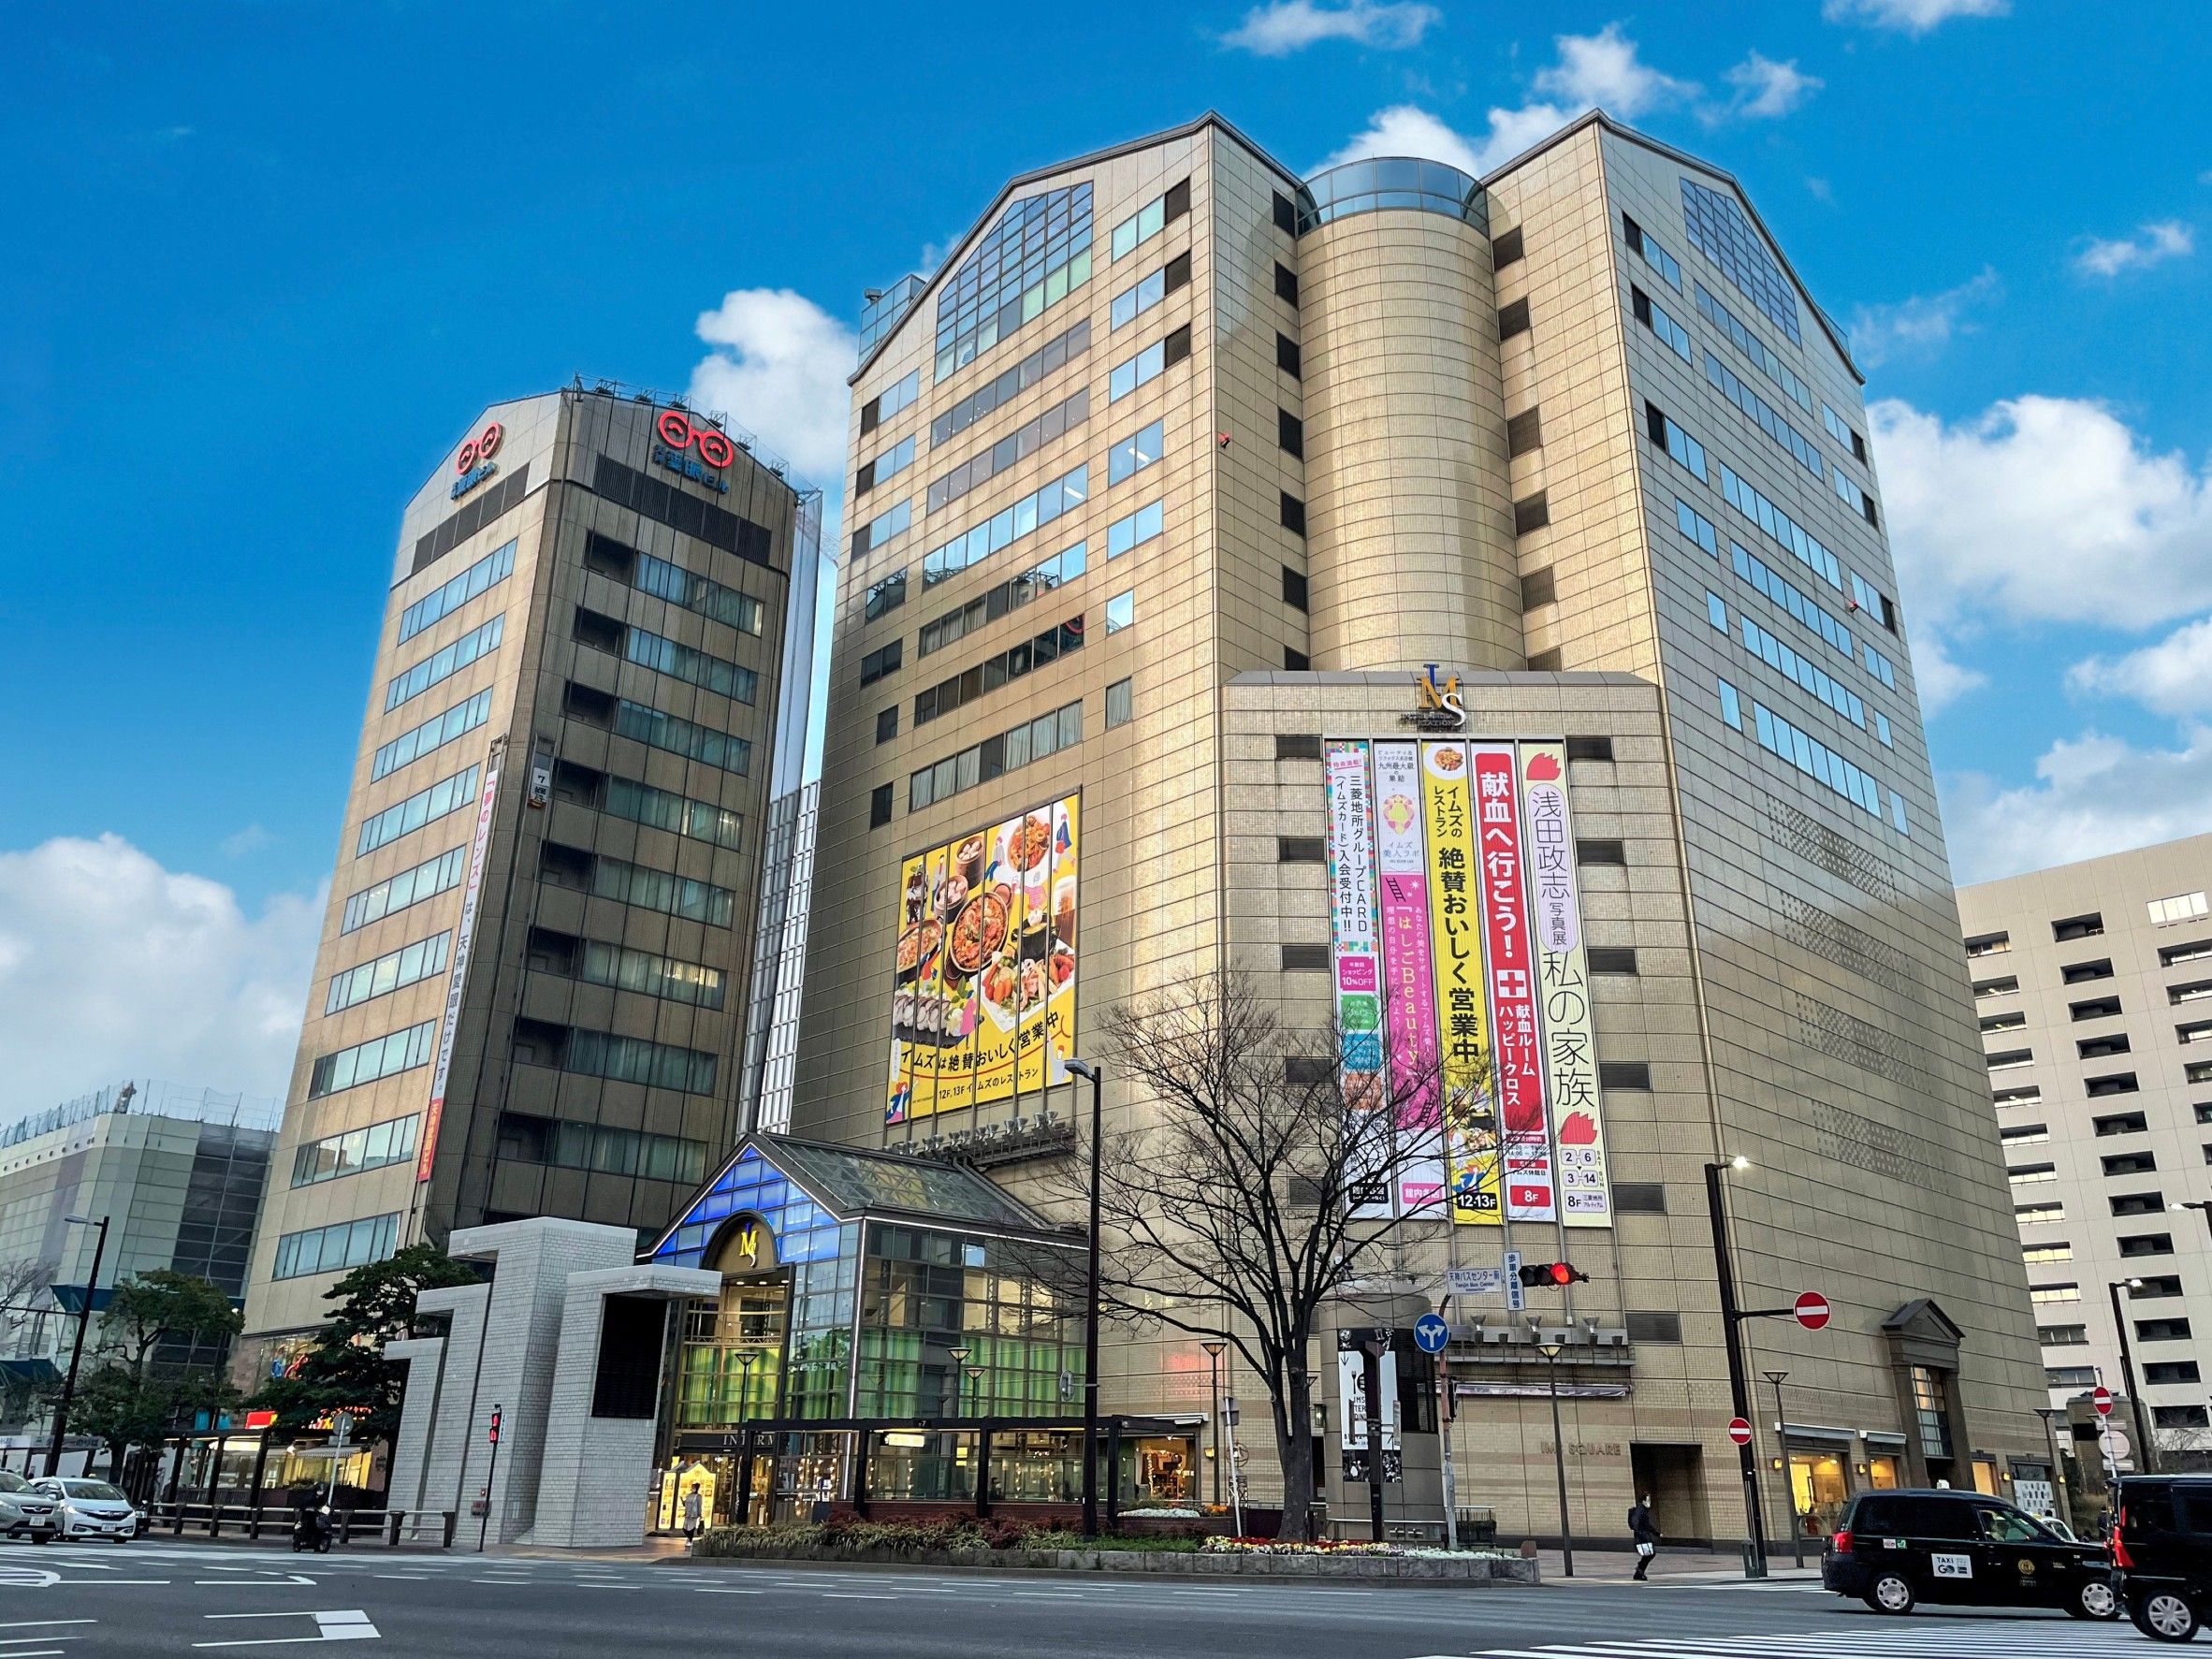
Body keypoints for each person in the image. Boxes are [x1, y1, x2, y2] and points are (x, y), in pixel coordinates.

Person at [1628, 1493, 1660, 1580]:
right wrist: (1639, 1531)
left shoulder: (1643, 1511)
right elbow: (1635, 1521)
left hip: (1644, 1536)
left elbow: (1647, 1525)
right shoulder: (1640, 1510)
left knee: (1649, 1554)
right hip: (1642, 1537)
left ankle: (1639, 1571)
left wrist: (1656, 1533)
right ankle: (1639, 1571)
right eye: (1647, 1500)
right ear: (1643, 1501)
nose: (1649, 1502)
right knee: (1650, 1554)